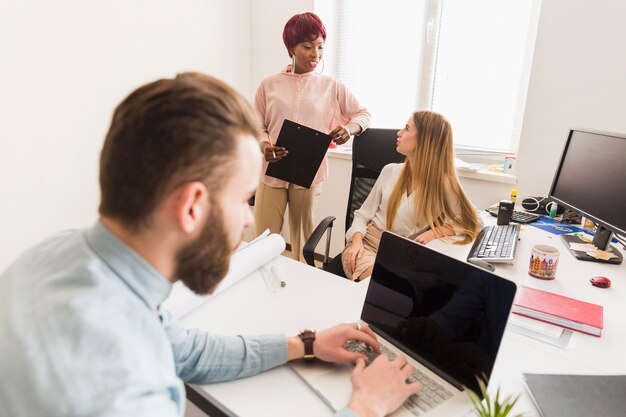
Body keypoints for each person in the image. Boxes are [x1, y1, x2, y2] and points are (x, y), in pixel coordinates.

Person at [0, 73, 420, 417]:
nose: (249, 219)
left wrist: (305, 345)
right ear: (192, 207)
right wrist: (364, 408)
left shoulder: (63, 254)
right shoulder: (124, 387)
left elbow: (184, 349)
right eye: (243, 199)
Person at [254, 12, 371, 262]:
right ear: (290, 49)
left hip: (309, 172)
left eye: (320, 47)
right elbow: (256, 124)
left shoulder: (332, 87)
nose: (315, 54)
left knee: (303, 241)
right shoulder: (268, 85)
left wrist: (349, 129)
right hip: (271, 170)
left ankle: (302, 291)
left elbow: (363, 114)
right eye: (307, 47)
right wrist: (264, 144)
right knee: (262, 239)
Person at [342, 111, 482, 281]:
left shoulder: (443, 184)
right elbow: (362, 215)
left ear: (425, 140)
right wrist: (356, 242)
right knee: (383, 285)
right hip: (367, 245)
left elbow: (474, 221)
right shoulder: (390, 171)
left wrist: (436, 232)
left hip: (405, 255)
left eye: (407, 128)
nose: (399, 133)